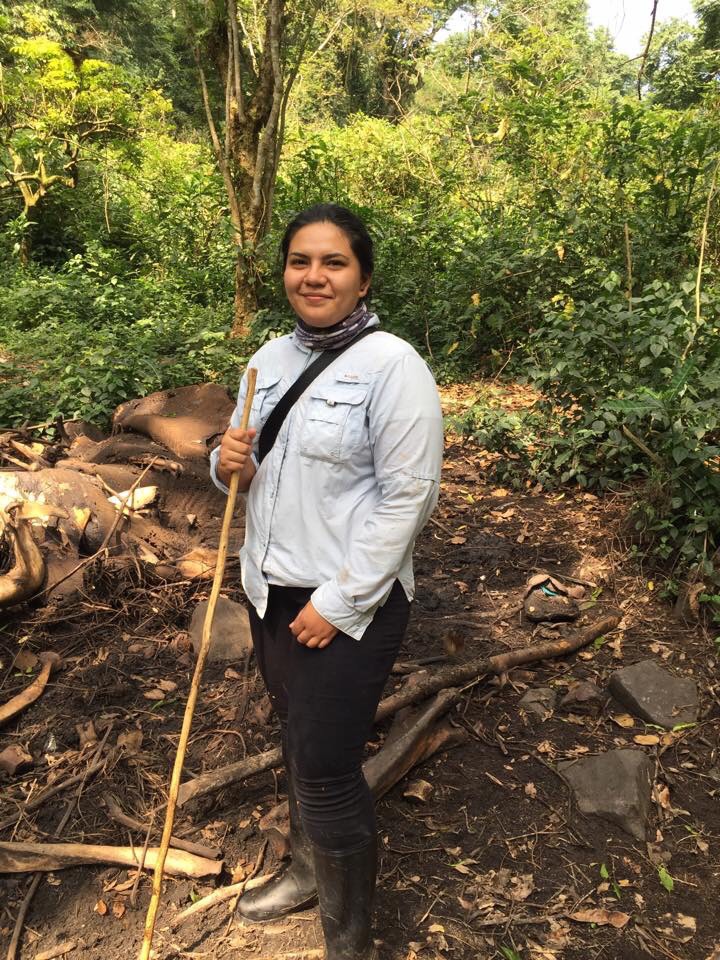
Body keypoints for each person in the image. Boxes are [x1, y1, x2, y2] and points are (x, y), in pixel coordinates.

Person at [210, 203, 443, 960]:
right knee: (295, 738)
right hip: (267, 588)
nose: (314, 276)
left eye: (333, 262)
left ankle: (351, 940)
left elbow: (409, 497)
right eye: (300, 261)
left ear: (363, 276)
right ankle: (306, 872)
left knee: (327, 766)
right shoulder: (268, 360)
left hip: (347, 599)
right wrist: (224, 461)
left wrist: (338, 605)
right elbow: (240, 473)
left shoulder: (394, 367)